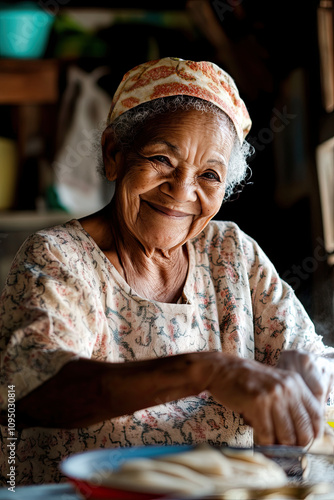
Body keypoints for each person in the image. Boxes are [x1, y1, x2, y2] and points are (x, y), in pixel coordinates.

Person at [0, 57, 334, 486]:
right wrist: (206, 369)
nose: (181, 191)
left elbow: (306, 359)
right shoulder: (59, 258)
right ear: (113, 154)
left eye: (209, 175)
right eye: (162, 159)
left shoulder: (231, 252)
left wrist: (311, 383)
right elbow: (27, 393)